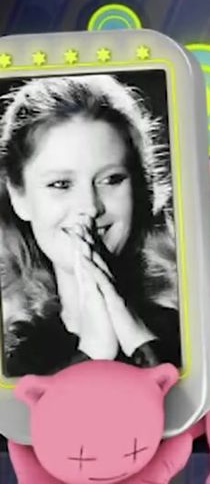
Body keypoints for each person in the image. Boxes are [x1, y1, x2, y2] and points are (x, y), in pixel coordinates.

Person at [0, 74, 180, 378]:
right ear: (19, 196)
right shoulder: (15, 356)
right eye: (61, 184)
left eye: (111, 179)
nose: (90, 207)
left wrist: (135, 334)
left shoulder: (186, 330)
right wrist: (95, 349)